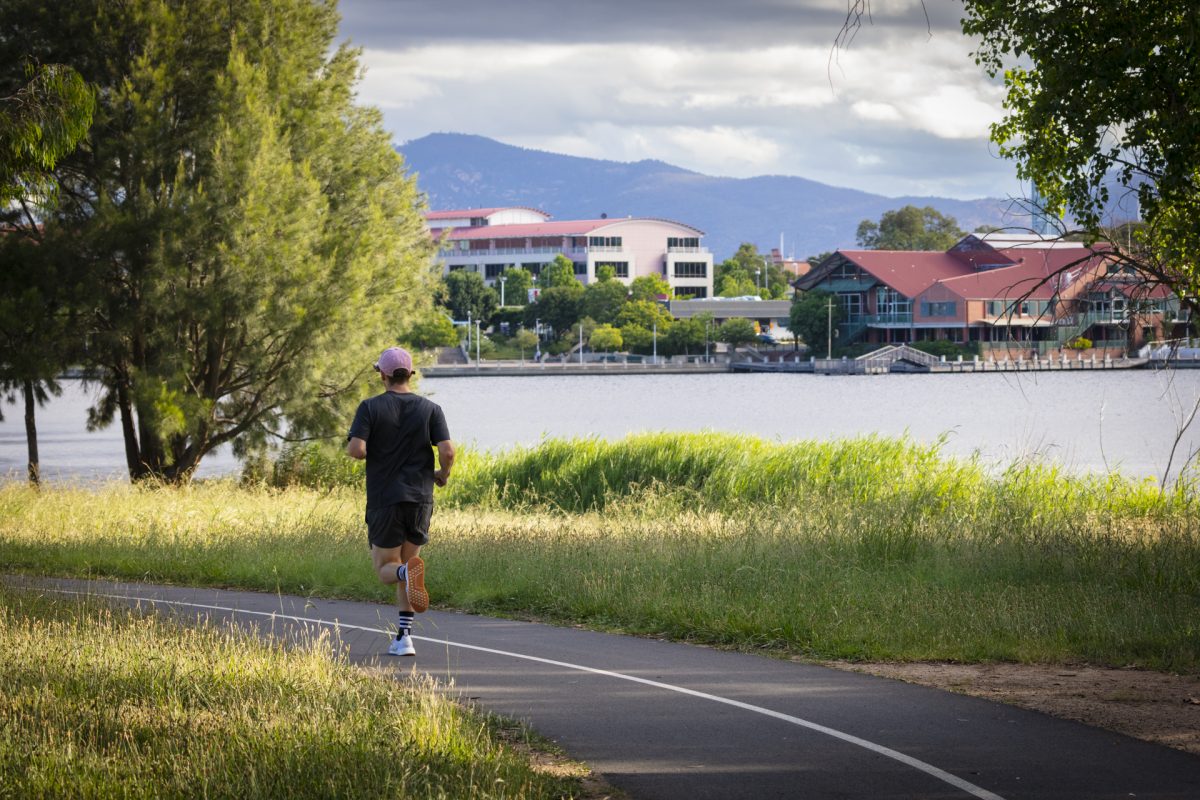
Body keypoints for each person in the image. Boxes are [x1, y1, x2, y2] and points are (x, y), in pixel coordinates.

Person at [347, 346, 454, 657]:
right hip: (420, 499)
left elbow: (356, 450)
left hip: (385, 498)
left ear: (382, 374)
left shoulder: (370, 407)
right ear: (411, 374)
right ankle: (404, 638)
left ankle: (408, 577)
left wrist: (368, 449)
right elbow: (447, 451)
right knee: (407, 563)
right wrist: (442, 474)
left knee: (387, 569)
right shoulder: (431, 409)